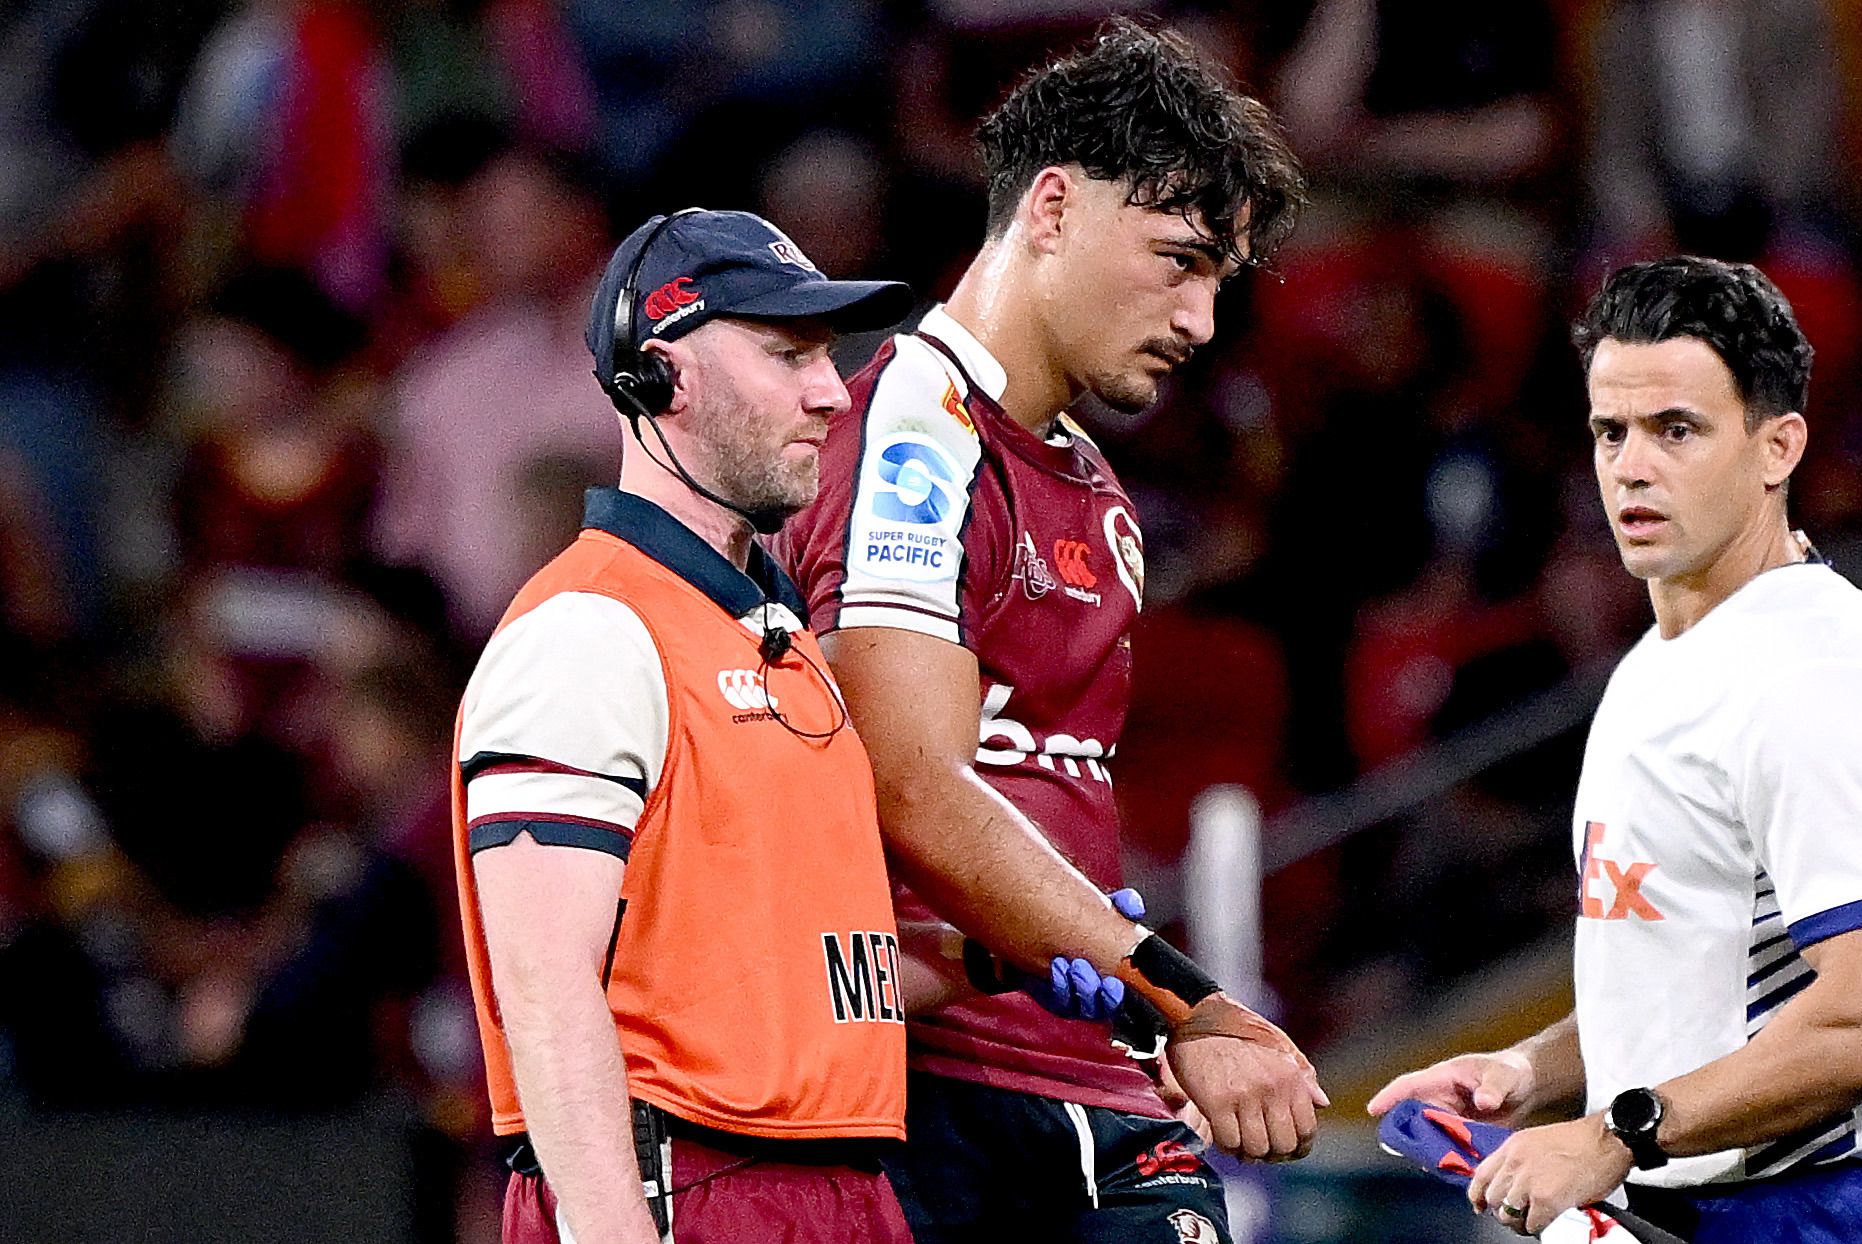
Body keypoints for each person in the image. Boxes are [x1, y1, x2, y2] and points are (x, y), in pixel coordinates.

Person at [772, 19, 1319, 1243]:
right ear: (1055, 206)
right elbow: (911, 778)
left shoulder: (1095, 493)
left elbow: (1045, 793)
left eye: (1221, 280)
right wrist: (1187, 1002)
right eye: (1179, 261)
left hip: (1091, 1082)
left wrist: (1137, 1010)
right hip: (931, 1097)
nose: (1202, 320)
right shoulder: (916, 429)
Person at [1368, 257, 1862, 1243]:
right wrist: (1523, 1075)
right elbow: (1688, 993)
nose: (1631, 466)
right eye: (1611, 431)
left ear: (1778, 447)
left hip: (1815, 1217)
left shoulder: (1819, 673)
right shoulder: (1659, 659)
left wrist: (1614, 1130)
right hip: (1675, 1205)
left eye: (1675, 430)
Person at [451, 207, 920, 1244]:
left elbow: (785, 974)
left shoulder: (775, 640)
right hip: (691, 1183)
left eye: (828, 354)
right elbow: (542, 981)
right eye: (785, 351)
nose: (830, 391)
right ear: (664, 373)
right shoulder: (589, 629)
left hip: (830, 1179)